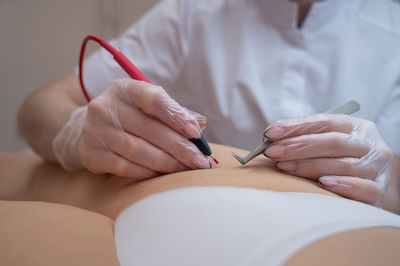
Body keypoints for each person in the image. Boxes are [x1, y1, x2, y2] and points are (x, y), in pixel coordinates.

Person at [18, 0, 400, 210]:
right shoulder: (191, 12)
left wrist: (382, 181)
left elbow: (395, 178)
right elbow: (38, 108)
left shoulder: (392, 27)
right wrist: (75, 133)